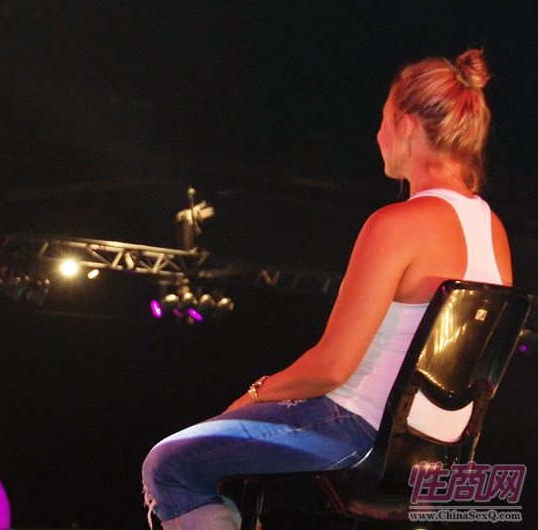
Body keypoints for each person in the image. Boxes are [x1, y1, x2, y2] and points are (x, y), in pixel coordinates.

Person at [141, 49, 513, 529]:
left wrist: (255, 395)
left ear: (404, 125)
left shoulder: (397, 224)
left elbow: (331, 368)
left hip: (358, 436)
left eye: (382, 120)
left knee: (171, 464)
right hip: (436, 454)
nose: (377, 136)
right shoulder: (493, 229)